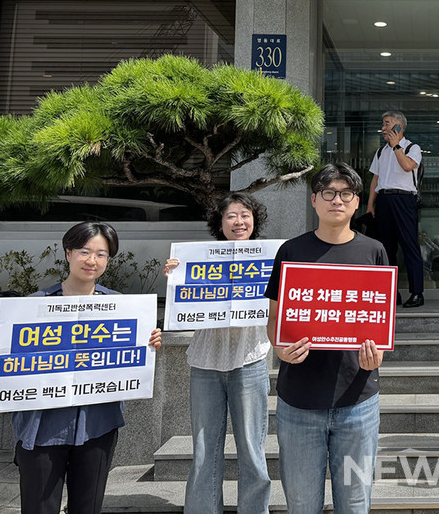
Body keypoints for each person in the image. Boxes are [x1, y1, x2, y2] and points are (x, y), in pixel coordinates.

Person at [0, 221, 162, 514]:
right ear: (68, 253)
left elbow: (130, 359)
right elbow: (7, 359)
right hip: (42, 428)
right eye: (85, 251)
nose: (92, 261)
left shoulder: (120, 306)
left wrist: (149, 342)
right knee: (39, 508)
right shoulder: (34, 306)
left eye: (102, 254)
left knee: (88, 507)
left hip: (98, 425)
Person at [264, 162, 387, 513]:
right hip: (299, 398)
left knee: (355, 502)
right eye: (329, 193)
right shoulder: (291, 252)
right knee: (302, 503)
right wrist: (279, 347)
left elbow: (380, 321)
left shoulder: (374, 251)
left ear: (357, 201)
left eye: (346, 193)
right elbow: (275, 318)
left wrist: (378, 355)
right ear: (315, 200)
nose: (337, 200)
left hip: (358, 398)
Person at [164, 192, 272, 513]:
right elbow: (183, 298)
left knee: (252, 448)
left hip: (249, 359)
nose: (238, 222)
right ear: (220, 222)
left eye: (245, 215)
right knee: (204, 449)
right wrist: (174, 277)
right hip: (205, 362)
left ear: (254, 220)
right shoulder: (199, 259)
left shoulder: (268, 259)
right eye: (231, 216)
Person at [367, 110, 425, 307]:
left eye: (387, 123)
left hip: (404, 200)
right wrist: (370, 205)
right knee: (385, 248)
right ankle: (391, 293)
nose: (383, 128)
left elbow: (408, 166)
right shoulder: (381, 151)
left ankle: (417, 292)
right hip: (384, 200)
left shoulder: (412, 147)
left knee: (409, 246)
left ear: (398, 125)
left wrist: (396, 146)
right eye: (383, 124)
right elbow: (375, 178)